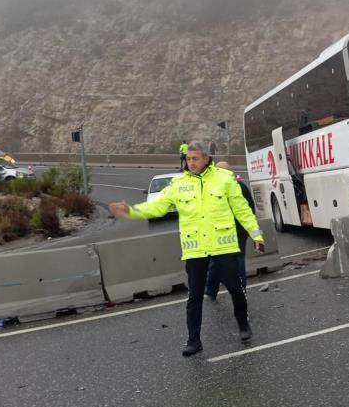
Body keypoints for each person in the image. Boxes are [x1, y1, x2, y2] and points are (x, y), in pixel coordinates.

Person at [109, 142, 264, 357]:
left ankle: (243, 324)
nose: (191, 162)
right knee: (195, 296)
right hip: (195, 249)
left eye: (195, 158)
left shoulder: (224, 179)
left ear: (206, 158)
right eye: (189, 159)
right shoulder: (178, 183)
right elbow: (157, 206)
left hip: (224, 244)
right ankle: (194, 340)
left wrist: (256, 235)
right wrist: (131, 211)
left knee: (235, 287)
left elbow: (242, 210)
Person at [205, 161, 254, 301]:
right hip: (240, 231)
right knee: (238, 261)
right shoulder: (241, 187)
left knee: (216, 261)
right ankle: (240, 290)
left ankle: (211, 291)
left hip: (224, 231)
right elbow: (251, 209)